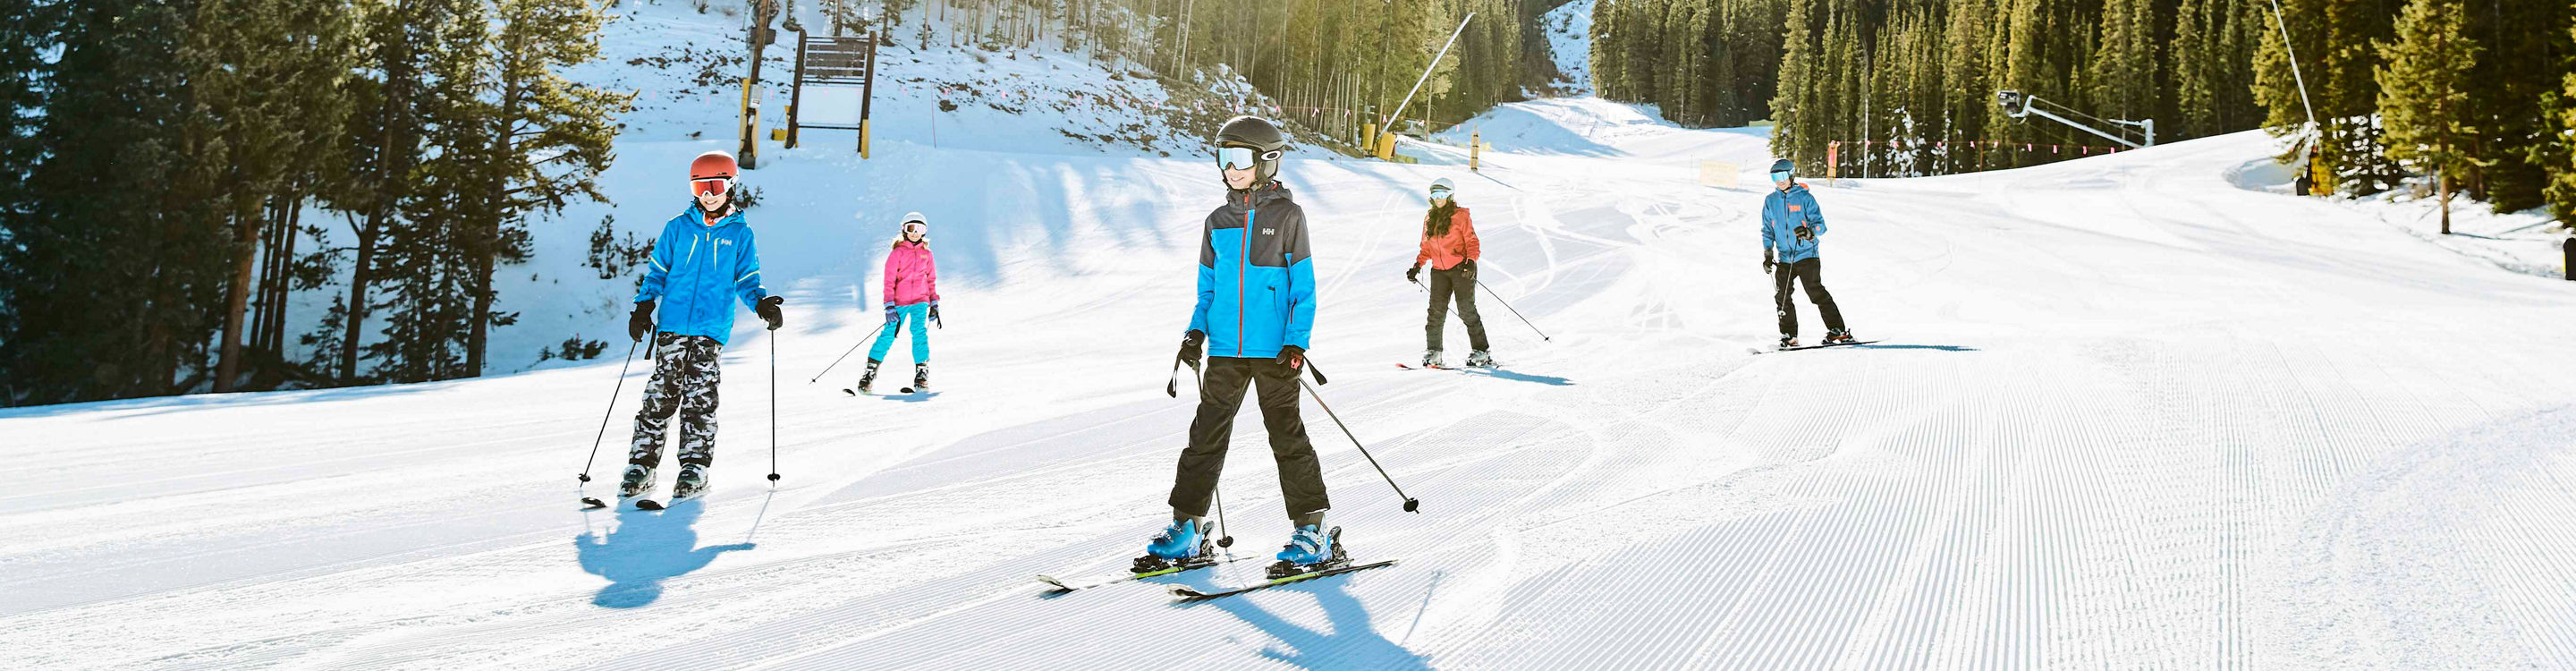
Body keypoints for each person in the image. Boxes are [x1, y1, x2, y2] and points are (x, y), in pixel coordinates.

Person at [1142, 115, 1343, 580]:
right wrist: (1195, 333)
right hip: (1225, 352)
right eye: (1223, 158)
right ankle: (1187, 527)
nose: (1230, 168)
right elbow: (1208, 291)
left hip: (1274, 352)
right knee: (1204, 438)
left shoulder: (1289, 217)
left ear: (1268, 161)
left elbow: (1304, 289)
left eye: (1239, 158)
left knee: (1286, 437)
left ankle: (1311, 530)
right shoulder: (1217, 222)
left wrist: (1296, 341)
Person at [621, 150, 784, 501]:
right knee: (660, 396)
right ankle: (641, 466)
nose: (708, 195)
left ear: (731, 186)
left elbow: (747, 279)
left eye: (715, 186)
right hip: (673, 326)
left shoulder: (740, 234)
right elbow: (657, 272)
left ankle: (694, 468)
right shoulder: (677, 228)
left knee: (700, 398)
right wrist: (644, 306)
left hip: (711, 329)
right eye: (700, 187)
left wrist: (761, 304)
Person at [1762, 157, 1852, 349]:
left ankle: (1838, 331)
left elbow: (1821, 226)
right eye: (1775, 177)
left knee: (1816, 293)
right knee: (1782, 298)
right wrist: (1768, 253)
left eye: (1782, 176)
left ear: (1791, 175)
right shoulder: (1770, 201)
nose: (1779, 181)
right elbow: (1767, 230)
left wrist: (1810, 233)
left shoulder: (1805, 198)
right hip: (1785, 258)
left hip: (1807, 255)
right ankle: (1789, 336)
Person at [1406, 177, 1494, 368]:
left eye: (1442, 194)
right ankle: (1434, 352)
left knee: (1466, 310)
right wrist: (1417, 266)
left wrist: (1470, 263)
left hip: (1461, 269)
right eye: (1434, 195)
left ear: (1450, 196)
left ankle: (1481, 351)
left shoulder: (1460, 216)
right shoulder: (1430, 218)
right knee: (1435, 312)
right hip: (1439, 271)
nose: (1438, 198)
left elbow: (1472, 242)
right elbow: (1426, 247)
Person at [856, 212, 940, 394]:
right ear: (904, 230)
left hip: (920, 301)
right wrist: (889, 305)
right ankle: (870, 372)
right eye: (912, 228)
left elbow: (931, 279)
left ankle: (922, 373)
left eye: (920, 229)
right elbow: (889, 281)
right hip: (899, 302)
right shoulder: (897, 253)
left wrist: (934, 302)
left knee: (919, 333)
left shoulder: (927, 254)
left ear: (925, 232)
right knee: (888, 334)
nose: (915, 233)